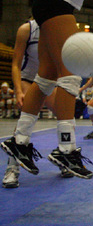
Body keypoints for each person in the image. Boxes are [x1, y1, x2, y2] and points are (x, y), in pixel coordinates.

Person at [1, 0, 93, 180]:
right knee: (71, 74)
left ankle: (20, 141)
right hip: (56, 2)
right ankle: (66, 149)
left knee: (46, 76)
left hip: (62, 5)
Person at [2, 20, 68, 188]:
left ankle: (63, 157)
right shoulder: (26, 29)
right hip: (28, 80)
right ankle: (12, 169)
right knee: (25, 122)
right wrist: (18, 91)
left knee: (65, 116)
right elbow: (16, 64)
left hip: (49, 81)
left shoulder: (58, 29)